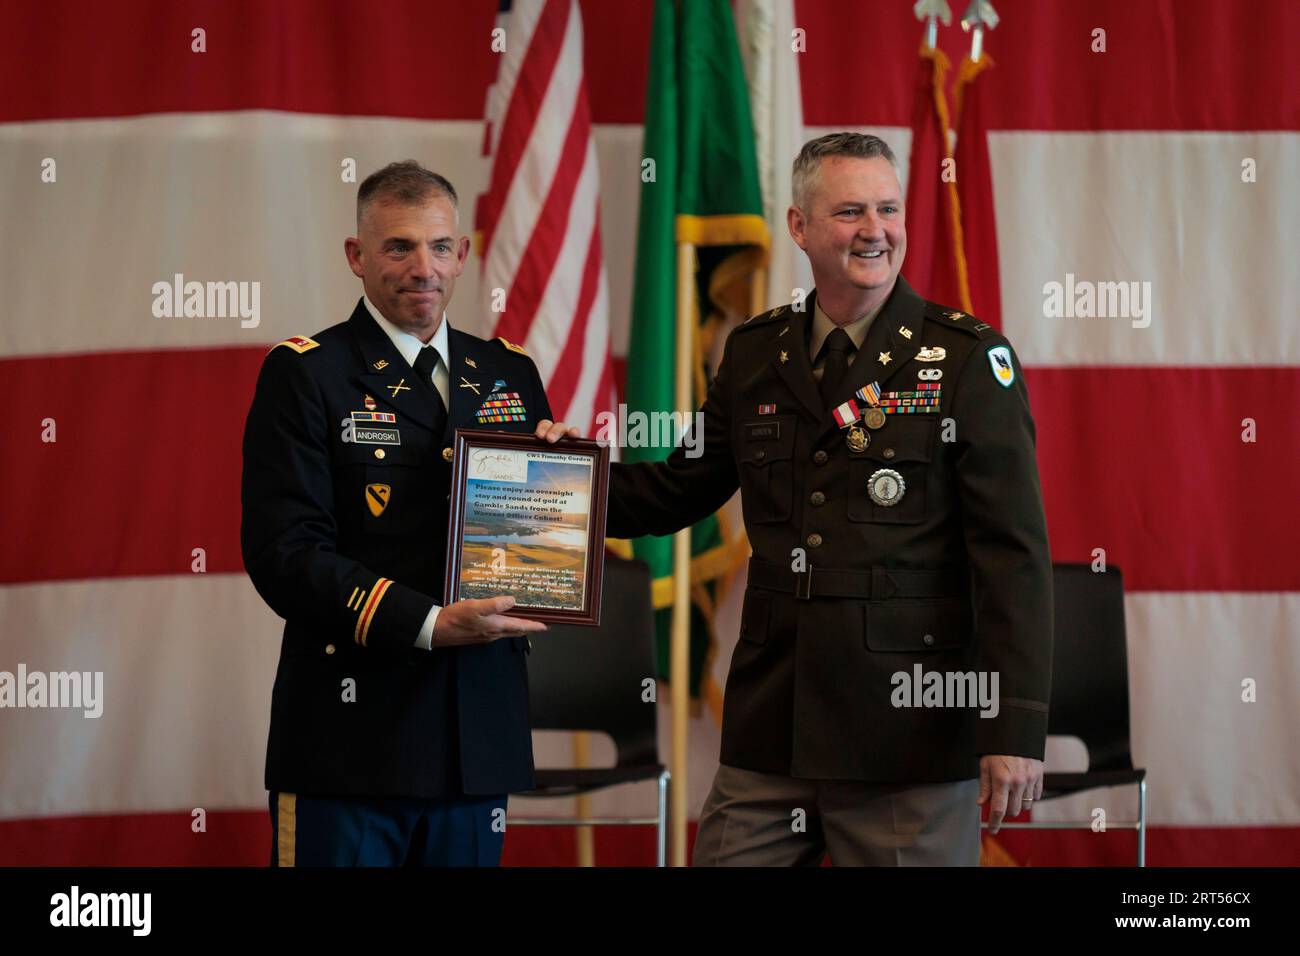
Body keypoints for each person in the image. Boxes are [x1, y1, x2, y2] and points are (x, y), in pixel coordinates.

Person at [598, 132, 1053, 865]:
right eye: (850, 211)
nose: (875, 229)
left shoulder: (969, 359)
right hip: (772, 727)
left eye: (887, 208)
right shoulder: (754, 353)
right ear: (799, 227)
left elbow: (1014, 560)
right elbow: (672, 490)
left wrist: (1013, 731)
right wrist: (551, 483)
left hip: (907, 735)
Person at [241, 161, 577, 866]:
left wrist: (570, 486)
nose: (423, 267)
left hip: (476, 738)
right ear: (357, 257)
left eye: (439, 246)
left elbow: (535, 538)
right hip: (350, 744)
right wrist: (424, 623)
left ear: (462, 253)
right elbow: (286, 553)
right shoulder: (307, 374)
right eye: (398, 247)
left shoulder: (510, 373)